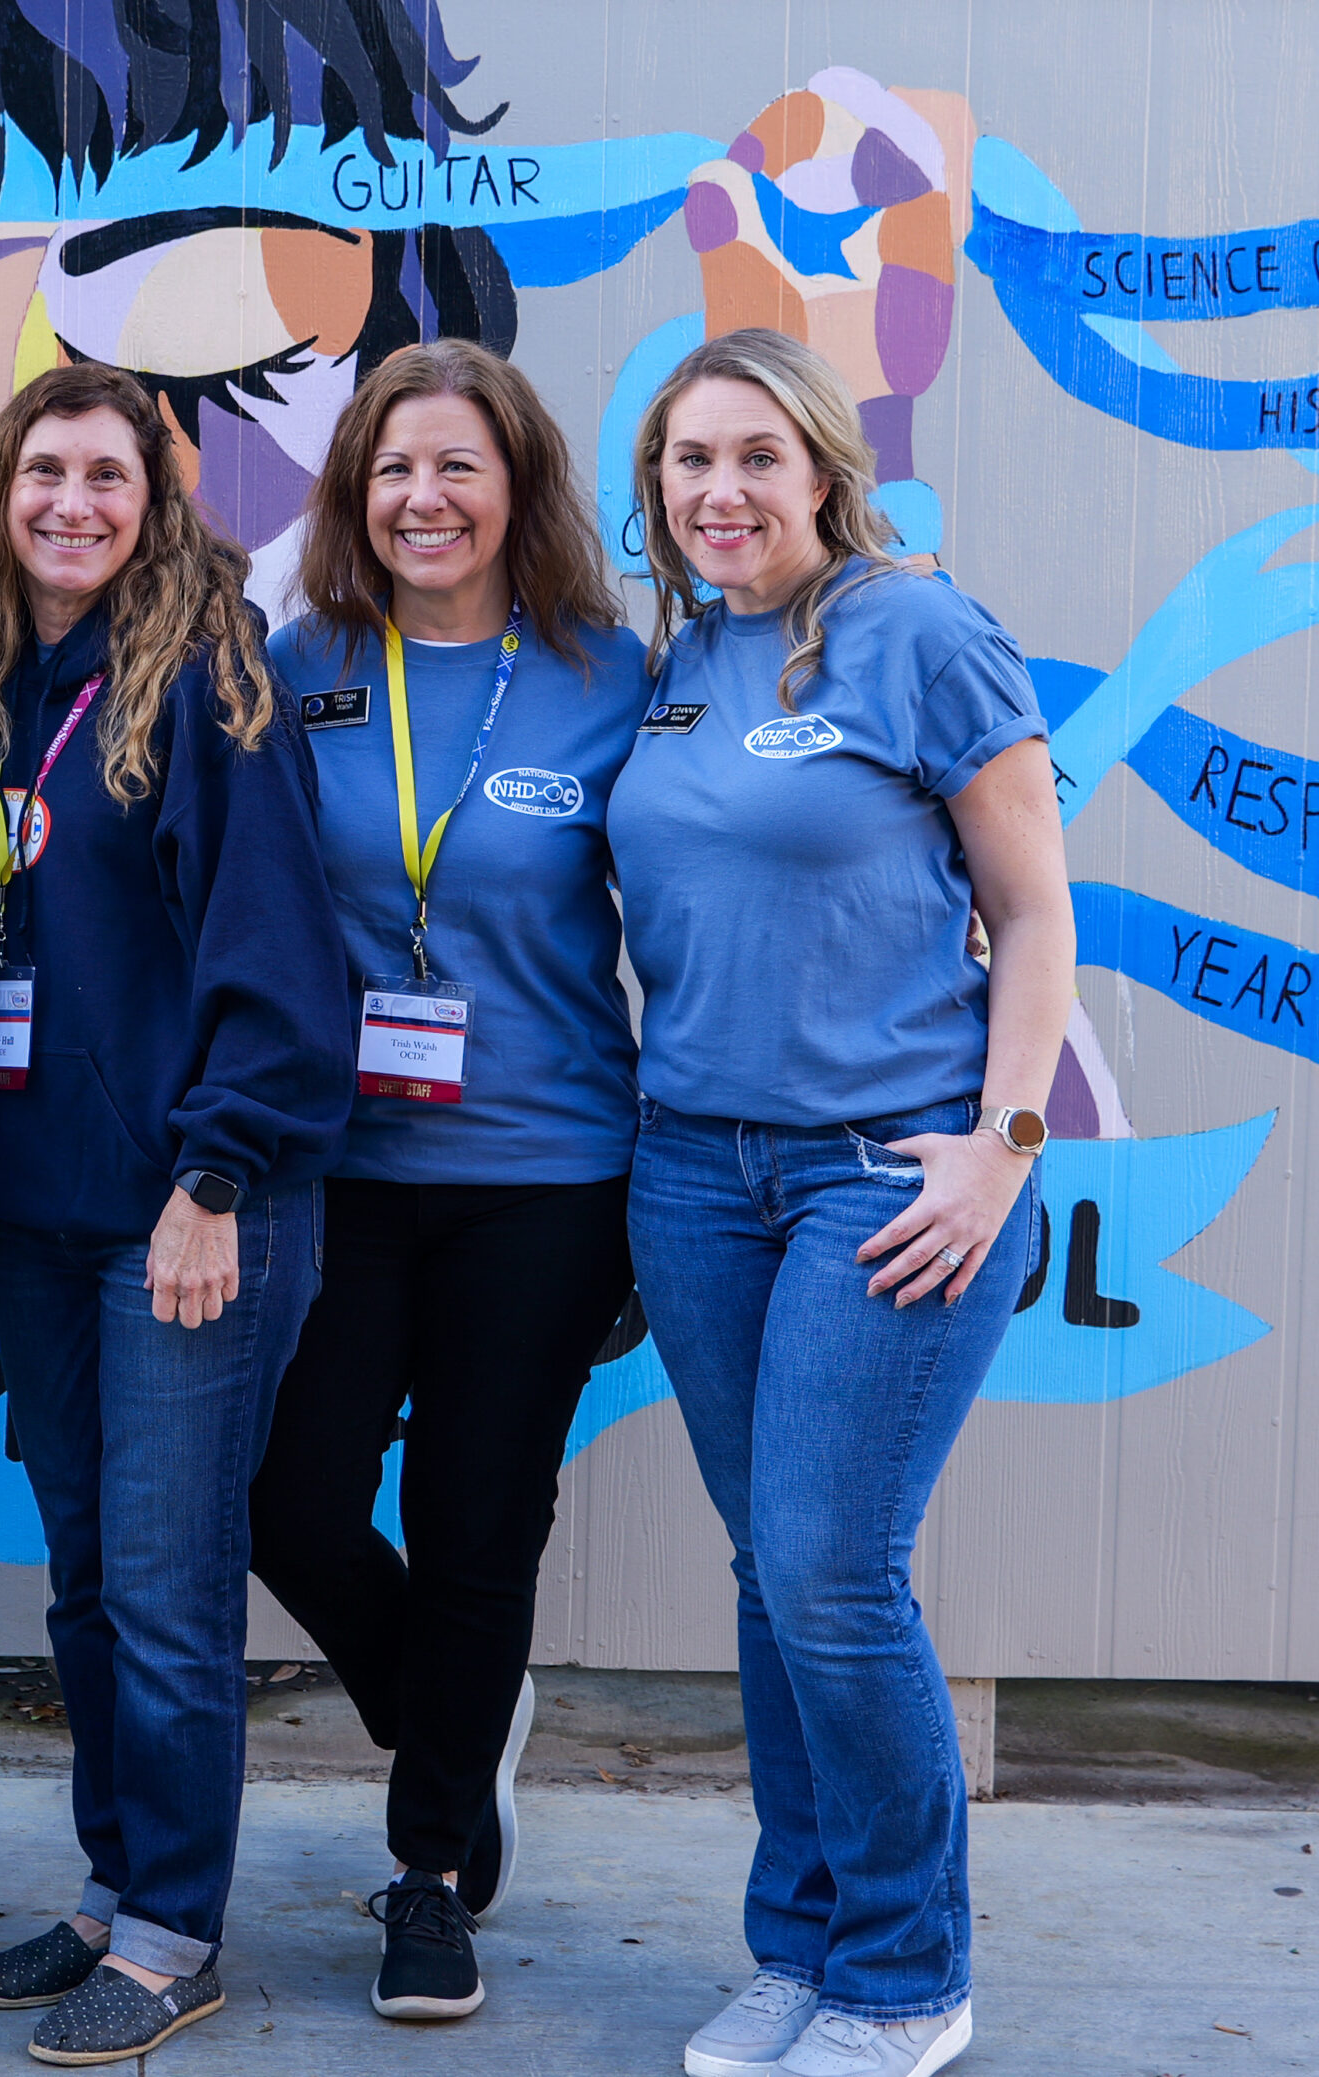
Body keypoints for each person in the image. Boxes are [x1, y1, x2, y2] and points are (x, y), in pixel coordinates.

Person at [611, 327, 1073, 2077]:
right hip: (694, 1171)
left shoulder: (922, 632)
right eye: (687, 461)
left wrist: (1001, 1142)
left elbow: (1034, 908)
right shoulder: (669, 660)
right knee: (770, 1572)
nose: (719, 490)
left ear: (821, 469)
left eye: (753, 455)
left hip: (889, 1170)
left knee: (829, 1566)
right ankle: (796, 1946)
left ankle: (904, 1972)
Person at [0, 362, 351, 2067]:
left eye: (108, 474)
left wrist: (216, 1180)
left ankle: (177, 1928)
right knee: (90, 1578)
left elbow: (275, 958)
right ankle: (117, 1885)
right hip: (38, 1210)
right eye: (44, 472)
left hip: (189, 1207)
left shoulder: (207, 677)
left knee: (172, 1585)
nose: (72, 504)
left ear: (158, 496)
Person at [249, 339, 652, 2024]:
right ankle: (459, 1711)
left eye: (458, 467)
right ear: (354, 491)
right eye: (393, 468)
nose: (424, 497)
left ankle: (428, 1873)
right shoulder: (298, 665)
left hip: (544, 1172)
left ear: (517, 488)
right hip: (340, 1168)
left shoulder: (609, 678)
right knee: (291, 1503)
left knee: (479, 1523)